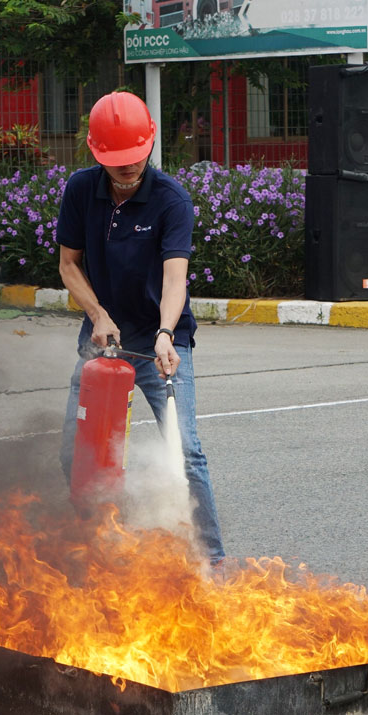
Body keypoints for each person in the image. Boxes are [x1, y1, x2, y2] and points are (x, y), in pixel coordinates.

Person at [57, 91, 225, 564]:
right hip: (104, 340)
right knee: (76, 455)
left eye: (136, 157)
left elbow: (175, 276)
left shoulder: (171, 200)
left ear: (149, 145)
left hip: (160, 343)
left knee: (185, 454)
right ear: (96, 154)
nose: (129, 168)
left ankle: (212, 564)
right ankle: (105, 551)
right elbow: (69, 265)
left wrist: (167, 332)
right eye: (117, 161)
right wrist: (98, 315)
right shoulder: (80, 190)